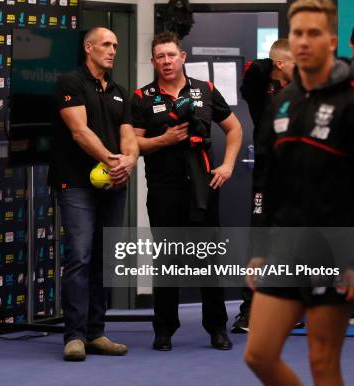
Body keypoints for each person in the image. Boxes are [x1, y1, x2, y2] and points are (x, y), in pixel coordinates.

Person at [244, 1, 354, 385]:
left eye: (314, 33)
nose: (305, 42)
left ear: (331, 41)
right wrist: (258, 248)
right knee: (258, 355)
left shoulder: (349, 99)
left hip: (333, 247)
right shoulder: (282, 101)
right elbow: (266, 181)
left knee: (323, 363)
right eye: (298, 34)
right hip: (285, 247)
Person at [132, 32, 242, 351]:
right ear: (153, 62)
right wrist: (162, 141)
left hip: (203, 187)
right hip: (164, 189)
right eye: (160, 57)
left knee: (208, 259)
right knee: (167, 261)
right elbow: (133, 143)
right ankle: (164, 329)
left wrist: (228, 165)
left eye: (171, 55)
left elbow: (234, 128)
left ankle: (217, 328)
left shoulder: (205, 90)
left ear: (183, 57)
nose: (166, 61)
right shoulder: (142, 96)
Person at [50, 26, 139, 361]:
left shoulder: (119, 91)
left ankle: (96, 333)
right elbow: (79, 131)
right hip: (75, 184)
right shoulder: (70, 83)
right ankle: (74, 336)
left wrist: (128, 161)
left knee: (103, 258)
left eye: (116, 44)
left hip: (113, 183)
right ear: (89, 47)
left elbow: (128, 133)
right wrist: (112, 159)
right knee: (80, 257)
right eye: (106, 44)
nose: (113, 50)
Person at [233, 38, 295, 333]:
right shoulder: (260, 85)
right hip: (266, 177)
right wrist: (275, 62)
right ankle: (249, 310)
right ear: (280, 64)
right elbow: (255, 70)